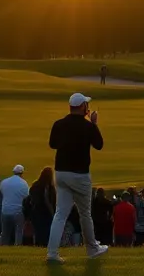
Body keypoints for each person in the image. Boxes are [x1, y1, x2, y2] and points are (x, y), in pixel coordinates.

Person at [46, 92, 109, 263]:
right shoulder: (87, 126)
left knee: (60, 214)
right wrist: (94, 124)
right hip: (80, 175)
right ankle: (92, 249)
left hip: (60, 173)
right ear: (83, 107)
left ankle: (52, 253)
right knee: (85, 213)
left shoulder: (59, 124)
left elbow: (52, 144)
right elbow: (99, 145)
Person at [0, 164, 30, 245]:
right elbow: (27, 197)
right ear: (22, 173)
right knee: (18, 232)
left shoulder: (4, 182)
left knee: (5, 232)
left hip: (5, 211)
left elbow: (1, 193)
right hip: (18, 212)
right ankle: (17, 247)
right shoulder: (24, 183)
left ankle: (2, 247)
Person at [29, 167, 57, 247]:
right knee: (46, 233)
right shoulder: (49, 187)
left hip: (36, 212)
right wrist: (53, 213)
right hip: (46, 213)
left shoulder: (35, 185)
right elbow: (50, 202)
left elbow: (31, 198)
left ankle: (38, 246)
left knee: (38, 232)